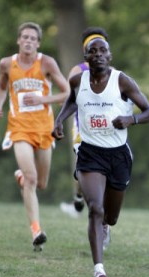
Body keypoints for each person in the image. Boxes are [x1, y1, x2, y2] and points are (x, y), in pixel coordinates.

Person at [52, 35, 149, 277]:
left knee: (110, 216)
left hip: (118, 155)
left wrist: (131, 121)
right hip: (90, 153)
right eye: (92, 51)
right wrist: (58, 120)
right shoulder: (78, 80)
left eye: (103, 50)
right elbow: (73, 100)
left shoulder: (122, 81)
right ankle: (99, 270)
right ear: (86, 58)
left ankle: (106, 226)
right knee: (95, 209)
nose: (98, 54)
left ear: (110, 56)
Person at [0, 22, 69, 251]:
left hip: (44, 127)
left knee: (41, 183)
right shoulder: (7, 64)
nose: (28, 41)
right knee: (32, 178)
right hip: (19, 128)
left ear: (38, 43)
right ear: (18, 40)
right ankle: (36, 230)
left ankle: (21, 178)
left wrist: (42, 100)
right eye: (24, 37)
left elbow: (66, 93)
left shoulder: (46, 63)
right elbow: (2, 87)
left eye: (32, 38)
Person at [59, 27, 109, 219]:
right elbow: (69, 97)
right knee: (85, 168)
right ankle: (83, 200)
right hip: (83, 129)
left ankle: (87, 205)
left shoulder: (112, 73)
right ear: (86, 50)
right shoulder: (78, 71)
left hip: (107, 130)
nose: (97, 51)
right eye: (92, 46)